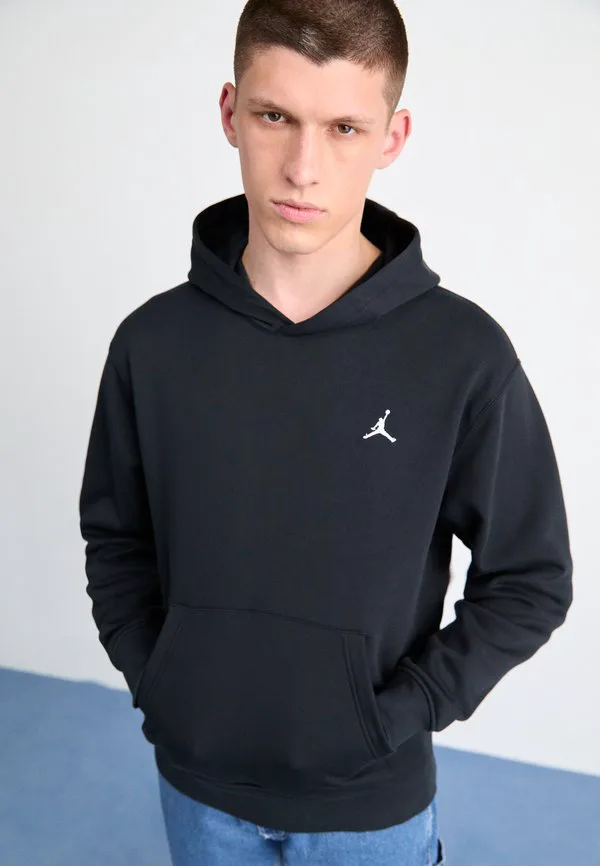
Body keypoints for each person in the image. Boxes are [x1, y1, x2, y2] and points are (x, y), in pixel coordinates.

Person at [78, 0, 573, 863]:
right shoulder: (152, 345)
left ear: (392, 137)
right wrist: (161, 683)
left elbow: (531, 578)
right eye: (276, 116)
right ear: (230, 113)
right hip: (196, 789)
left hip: (371, 808)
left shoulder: (462, 355)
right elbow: (117, 539)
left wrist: (400, 714)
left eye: (344, 128)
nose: (303, 169)